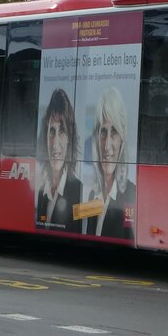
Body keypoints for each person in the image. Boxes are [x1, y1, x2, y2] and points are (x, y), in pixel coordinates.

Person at [81, 86, 136, 239]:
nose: (107, 145)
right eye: (103, 132)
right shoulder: (93, 195)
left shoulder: (132, 193)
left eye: (114, 132)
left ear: (122, 140)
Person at [36, 88, 82, 232]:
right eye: (51, 131)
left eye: (61, 131)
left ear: (69, 138)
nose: (55, 144)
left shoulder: (78, 190)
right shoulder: (42, 193)